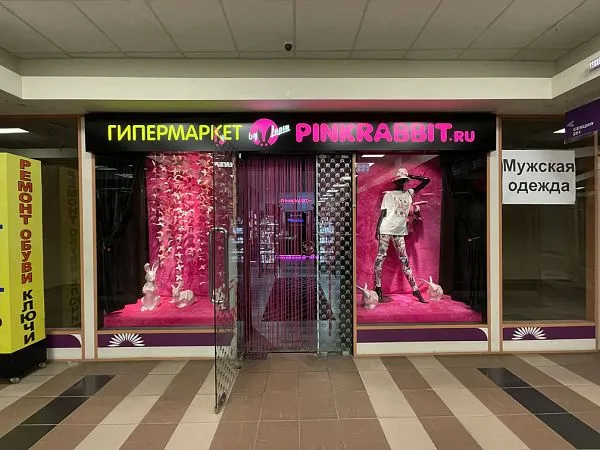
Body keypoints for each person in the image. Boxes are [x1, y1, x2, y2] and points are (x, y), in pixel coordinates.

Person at [374, 167, 430, 303]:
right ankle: (378, 287)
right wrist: (377, 229)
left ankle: (415, 289)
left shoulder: (409, 193)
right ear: (395, 182)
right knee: (380, 257)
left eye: (404, 180)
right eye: (400, 180)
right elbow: (383, 213)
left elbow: (426, 180)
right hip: (386, 228)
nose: (402, 182)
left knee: (404, 260)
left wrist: (410, 175)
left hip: (399, 230)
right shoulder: (389, 195)